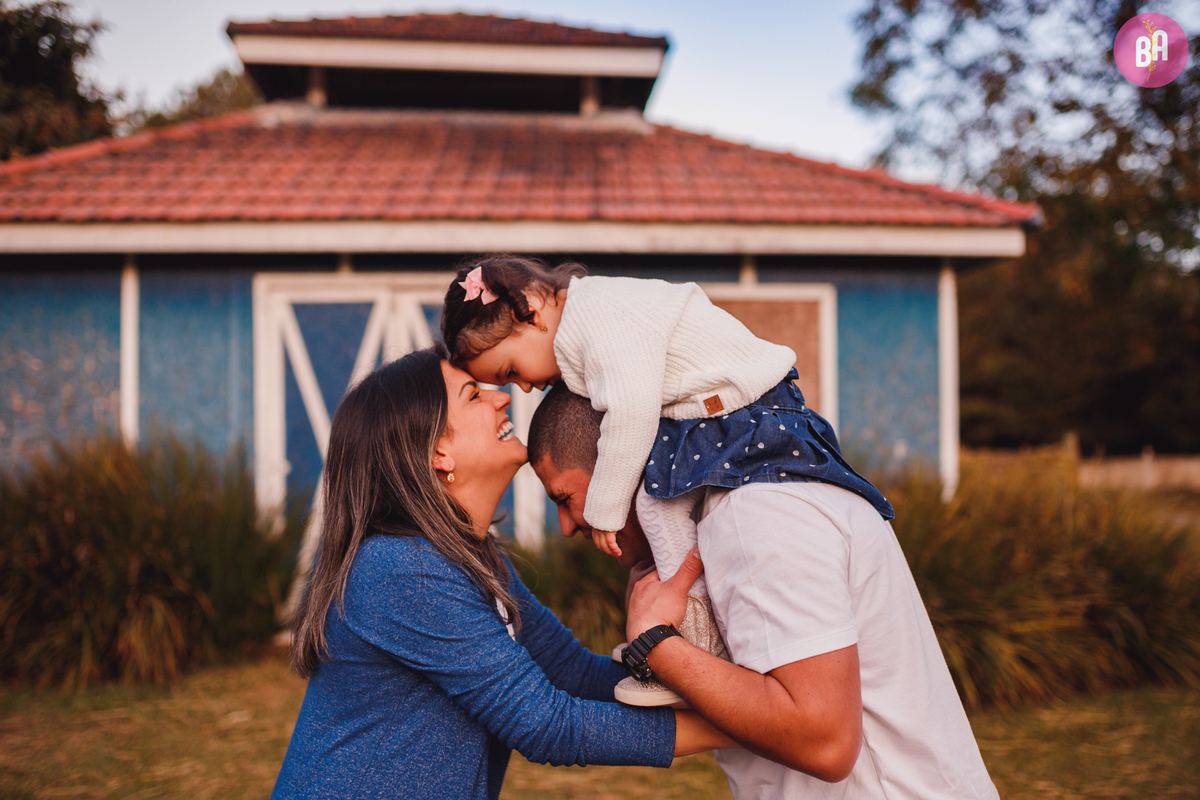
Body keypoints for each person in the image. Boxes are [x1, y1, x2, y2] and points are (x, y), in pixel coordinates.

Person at [271, 349, 732, 800]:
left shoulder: (472, 557)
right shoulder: (401, 571)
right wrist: (751, 724)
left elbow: (571, 673)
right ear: (438, 453)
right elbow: (548, 726)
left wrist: (716, 684)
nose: (502, 398)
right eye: (473, 395)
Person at [440, 255, 893, 706]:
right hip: (715, 413)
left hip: (744, 412)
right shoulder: (583, 324)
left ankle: (687, 649)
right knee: (663, 510)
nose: (521, 388)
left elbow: (632, 413)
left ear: (533, 309)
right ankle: (679, 641)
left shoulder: (597, 316)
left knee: (656, 504)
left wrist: (604, 511)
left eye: (510, 372)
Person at [528, 385, 1000, 800]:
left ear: (616, 462)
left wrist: (656, 644)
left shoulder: (753, 515)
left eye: (565, 499)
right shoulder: (732, 514)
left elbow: (825, 742)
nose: (567, 528)